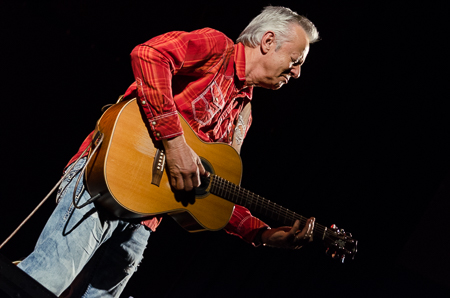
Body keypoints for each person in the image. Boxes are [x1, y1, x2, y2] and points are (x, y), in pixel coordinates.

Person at [17, 6, 320, 297]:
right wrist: (175, 145)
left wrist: (262, 234)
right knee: (43, 283)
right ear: (268, 41)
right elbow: (149, 54)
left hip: (146, 215)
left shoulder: (244, 116)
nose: (297, 73)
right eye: (295, 60)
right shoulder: (217, 48)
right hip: (107, 178)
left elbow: (216, 189)